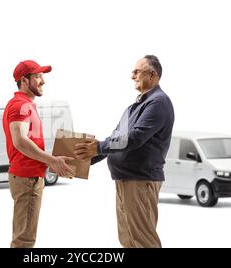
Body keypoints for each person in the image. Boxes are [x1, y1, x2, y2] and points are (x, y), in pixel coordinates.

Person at [75, 55, 175, 248]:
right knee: (128, 240)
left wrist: (97, 147)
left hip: (140, 181)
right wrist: (82, 158)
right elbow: (115, 140)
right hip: (125, 180)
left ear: (153, 74)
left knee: (143, 241)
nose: (132, 76)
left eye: (137, 71)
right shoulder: (134, 107)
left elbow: (134, 138)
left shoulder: (158, 103)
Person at [3, 60, 74, 248]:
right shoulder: (20, 105)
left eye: (42, 76)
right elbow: (20, 141)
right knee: (24, 240)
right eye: (37, 76)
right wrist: (52, 160)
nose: (43, 81)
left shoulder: (26, 104)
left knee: (25, 236)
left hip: (29, 177)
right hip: (27, 178)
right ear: (24, 81)